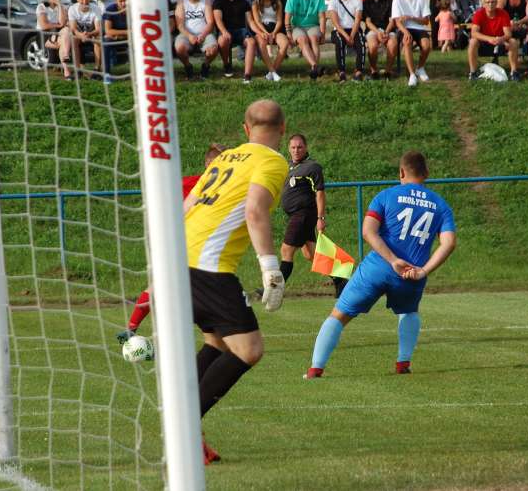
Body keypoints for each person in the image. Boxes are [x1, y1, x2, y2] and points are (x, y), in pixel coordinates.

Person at [183, 99, 288, 464]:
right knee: (249, 349)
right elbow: (255, 210)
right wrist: (270, 268)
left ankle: (187, 431)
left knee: (217, 340)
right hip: (209, 268)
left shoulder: (226, 158)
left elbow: (190, 205)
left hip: (182, 258)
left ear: (246, 129)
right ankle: (183, 426)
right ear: (283, 128)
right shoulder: (273, 161)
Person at [304, 150, 456, 379]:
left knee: (339, 315)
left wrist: (393, 260)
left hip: (378, 267)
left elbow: (368, 231)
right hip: (412, 273)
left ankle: (316, 368)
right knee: (409, 311)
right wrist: (423, 271)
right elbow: (449, 243)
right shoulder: (440, 205)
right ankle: (403, 362)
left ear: (401, 172)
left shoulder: (386, 196)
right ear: (426, 173)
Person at [125, 143, 227, 335]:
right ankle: (132, 329)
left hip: (201, 247)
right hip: (178, 244)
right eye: (221, 162)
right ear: (209, 164)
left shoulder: (226, 190)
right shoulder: (190, 184)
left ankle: (131, 330)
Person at [277, 134, 345, 298]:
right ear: (288, 148)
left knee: (286, 250)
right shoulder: (290, 166)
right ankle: (341, 279)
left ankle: (274, 290)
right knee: (310, 254)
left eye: (299, 147)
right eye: (293, 147)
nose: (296, 150)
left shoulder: (312, 167)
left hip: (303, 214)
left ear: (306, 147)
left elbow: (320, 194)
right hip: (296, 215)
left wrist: (320, 218)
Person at [468, 0, 521, 81]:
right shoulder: (479, 14)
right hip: (484, 43)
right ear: (484, 4)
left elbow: (508, 34)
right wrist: (489, 39)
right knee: (473, 41)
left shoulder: (503, 14)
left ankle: (514, 72)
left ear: (496, 3)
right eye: (488, 2)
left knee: (513, 42)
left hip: (500, 42)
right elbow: (474, 33)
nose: (490, 4)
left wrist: (501, 39)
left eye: (493, 2)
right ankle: (473, 73)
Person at [174, 0, 218, 81]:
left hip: (204, 33)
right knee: (179, 48)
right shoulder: (181, 2)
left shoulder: (206, 1)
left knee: (213, 49)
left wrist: (202, 35)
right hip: (186, 34)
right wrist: (189, 36)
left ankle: (206, 66)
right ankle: (188, 66)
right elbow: (180, 25)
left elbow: (210, 22)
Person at [214, 0, 257, 83]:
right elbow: (218, 20)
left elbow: (250, 21)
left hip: (241, 31)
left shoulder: (243, 2)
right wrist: (224, 32)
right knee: (222, 41)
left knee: (251, 42)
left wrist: (259, 32)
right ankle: (226, 64)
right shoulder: (218, 1)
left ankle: (247, 75)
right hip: (226, 30)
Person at [284, 0, 327, 80]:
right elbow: (287, 18)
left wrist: (322, 33)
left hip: (313, 25)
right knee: (302, 40)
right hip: (298, 26)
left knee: (314, 38)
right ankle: (315, 67)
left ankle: (314, 70)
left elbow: (322, 17)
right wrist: (289, 34)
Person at [392, 0, 431, 87]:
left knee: (426, 45)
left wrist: (411, 17)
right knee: (407, 41)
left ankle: (420, 68)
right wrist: (405, 32)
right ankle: (412, 74)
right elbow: (397, 21)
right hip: (404, 28)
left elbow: (426, 21)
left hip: (418, 27)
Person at [250, 0, 289, 81]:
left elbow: (279, 20)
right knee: (262, 44)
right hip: (262, 28)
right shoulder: (256, 3)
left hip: (275, 28)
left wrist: (273, 33)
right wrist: (266, 33)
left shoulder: (278, 2)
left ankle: (272, 72)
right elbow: (257, 21)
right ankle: (273, 72)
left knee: (284, 43)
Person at [328, 0, 365, 82]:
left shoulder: (357, 0)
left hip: (353, 29)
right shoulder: (333, 1)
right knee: (339, 42)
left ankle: (358, 71)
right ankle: (341, 71)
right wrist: (346, 36)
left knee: (361, 42)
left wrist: (352, 36)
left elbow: (357, 20)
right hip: (339, 30)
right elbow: (335, 22)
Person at [363, 0, 398, 78]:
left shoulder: (389, 1)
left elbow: (392, 21)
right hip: (372, 30)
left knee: (392, 44)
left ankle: (388, 70)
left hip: (388, 29)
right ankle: (374, 70)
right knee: (372, 46)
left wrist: (386, 32)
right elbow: (368, 22)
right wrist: (378, 32)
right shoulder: (366, 3)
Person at [36, 0, 72, 80]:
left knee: (65, 33)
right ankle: (66, 58)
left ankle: (66, 71)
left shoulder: (62, 6)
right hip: (45, 35)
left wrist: (59, 5)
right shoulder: (41, 7)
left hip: (59, 34)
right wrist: (58, 25)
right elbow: (44, 25)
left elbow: (62, 23)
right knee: (65, 35)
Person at [67, 0, 102, 78]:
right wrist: (81, 35)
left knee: (98, 39)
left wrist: (89, 34)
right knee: (73, 39)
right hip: (79, 34)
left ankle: (97, 69)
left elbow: (98, 29)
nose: (85, 1)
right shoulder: (72, 9)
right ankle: (77, 70)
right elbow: (73, 29)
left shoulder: (96, 9)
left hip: (92, 34)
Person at [102, 0, 129, 85]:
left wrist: (119, 34)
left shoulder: (133, 8)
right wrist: (127, 32)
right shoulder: (110, 9)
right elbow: (108, 30)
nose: (123, 3)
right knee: (106, 41)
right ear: (116, 1)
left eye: (125, 0)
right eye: (121, 1)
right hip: (115, 38)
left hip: (128, 38)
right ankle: (107, 74)